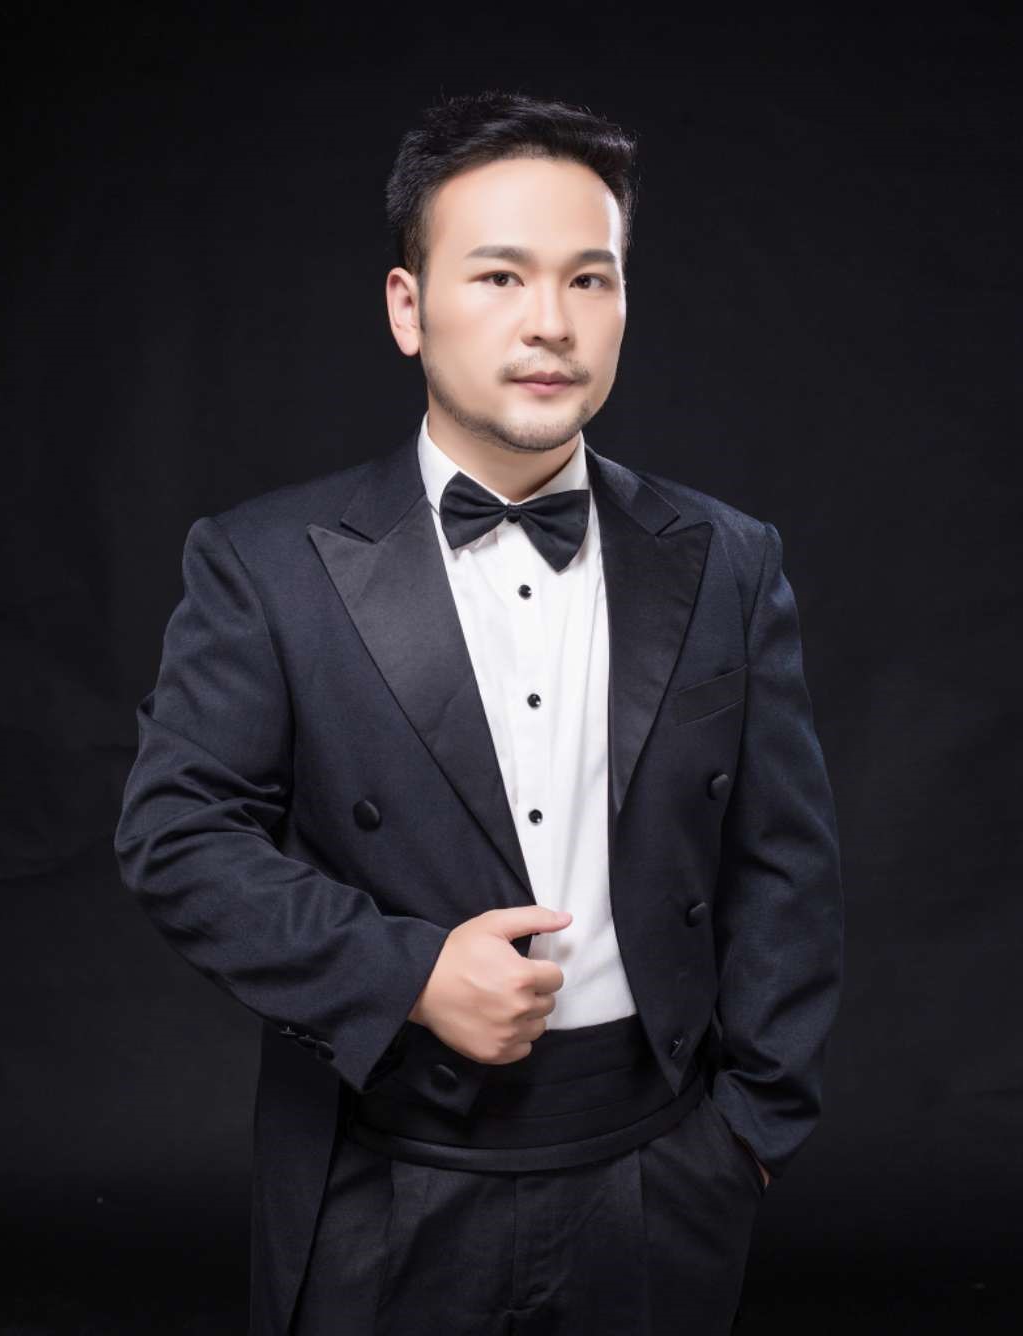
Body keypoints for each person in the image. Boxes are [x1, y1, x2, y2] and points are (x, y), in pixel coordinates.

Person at [114, 89, 844, 1336]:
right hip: (382, 1170)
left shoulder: (728, 556)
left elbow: (786, 858)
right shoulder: (264, 561)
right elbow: (175, 837)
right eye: (500, 276)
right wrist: (406, 972)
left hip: (658, 1171)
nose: (550, 322)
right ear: (409, 308)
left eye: (589, 279)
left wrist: (750, 1134)